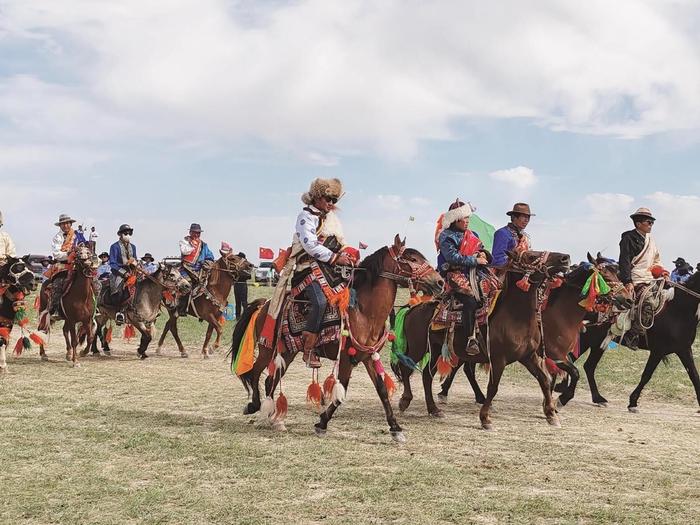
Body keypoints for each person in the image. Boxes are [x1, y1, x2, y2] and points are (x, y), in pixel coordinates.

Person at [259, 178, 356, 368]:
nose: (331, 204)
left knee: (351, 296)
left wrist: (349, 255)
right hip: (307, 271)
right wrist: (336, 258)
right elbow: (310, 246)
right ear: (318, 197)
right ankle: (309, 347)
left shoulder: (332, 220)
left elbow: (341, 243)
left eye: (334, 201)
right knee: (319, 302)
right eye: (329, 199)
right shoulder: (305, 217)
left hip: (330, 270)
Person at [437, 200, 490, 355]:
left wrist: (482, 254)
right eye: (464, 218)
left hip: (476, 273)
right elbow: (452, 257)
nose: (467, 221)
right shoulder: (446, 236)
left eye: (468, 218)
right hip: (455, 274)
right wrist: (475, 260)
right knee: (471, 301)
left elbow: (480, 248)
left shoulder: (473, 235)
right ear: (455, 219)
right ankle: (470, 338)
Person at [618, 207, 668, 348]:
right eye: (649, 222)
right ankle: (633, 335)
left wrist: (662, 273)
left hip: (651, 278)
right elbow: (624, 261)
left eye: (652, 222)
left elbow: (656, 262)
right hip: (636, 278)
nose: (651, 224)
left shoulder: (651, 240)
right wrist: (628, 281)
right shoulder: (628, 238)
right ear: (638, 223)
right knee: (649, 302)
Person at [47, 214, 87, 318]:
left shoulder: (78, 235)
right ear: (60, 225)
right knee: (58, 284)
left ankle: (95, 308)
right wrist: (69, 254)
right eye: (63, 224)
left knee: (95, 282)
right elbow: (56, 254)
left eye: (67, 223)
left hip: (79, 264)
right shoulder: (57, 238)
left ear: (71, 224)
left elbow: (85, 246)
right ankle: (55, 309)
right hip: (63, 265)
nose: (65, 225)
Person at [177, 223, 215, 315]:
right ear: (190, 232)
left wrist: (206, 262)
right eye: (195, 232)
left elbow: (210, 256)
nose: (197, 235)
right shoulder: (184, 241)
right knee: (187, 285)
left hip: (200, 270)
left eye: (198, 233)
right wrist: (193, 244)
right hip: (186, 269)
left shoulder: (203, 245)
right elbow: (184, 251)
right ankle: (181, 307)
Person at [109, 224, 137, 325]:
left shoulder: (133, 247)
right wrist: (123, 273)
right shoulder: (114, 247)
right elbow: (112, 264)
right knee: (118, 289)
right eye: (125, 233)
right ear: (120, 235)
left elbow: (135, 258)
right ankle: (118, 312)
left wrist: (135, 263)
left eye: (129, 233)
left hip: (131, 272)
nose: (128, 235)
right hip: (118, 272)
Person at [491, 203, 533, 267]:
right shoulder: (502, 233)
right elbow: (497, 259)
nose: (526, 220)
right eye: (524, 217)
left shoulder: (525, 237)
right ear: (514, 217)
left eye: (528, 217)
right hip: (504, 273)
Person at [232, 249, 250, 318]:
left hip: (243, 285)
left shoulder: (246, 266)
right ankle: (237, 316)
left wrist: (241, 272)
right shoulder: (235, 266)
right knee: (237, 302)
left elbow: (249, 276)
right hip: (237, 285)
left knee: (244, 302)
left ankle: (245, 316)